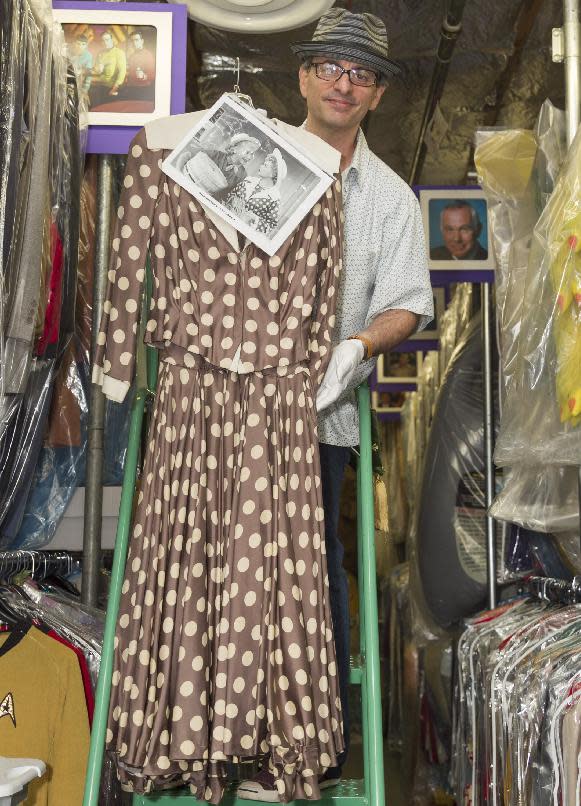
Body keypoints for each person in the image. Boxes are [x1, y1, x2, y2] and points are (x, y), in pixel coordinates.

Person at [237, 8, 433, 801]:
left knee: (308, 583)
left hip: (323, 423)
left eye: (360, 74)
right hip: (229, 415)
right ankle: (217, 739)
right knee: (220, 572)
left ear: (378, 93)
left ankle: (304, 756)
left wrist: (355, 347)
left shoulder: (389, 199)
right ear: (304, 75)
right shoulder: (253, 161)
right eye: (330, 68)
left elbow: (408, 301)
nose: (342, 84)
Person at [225, 149, 287, 235]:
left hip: (242, 233)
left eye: (265, 165)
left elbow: (270, 226)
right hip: (226, 220)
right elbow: (230, 195)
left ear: (273, 174)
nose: (261, 166)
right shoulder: (248, 180)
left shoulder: (274, 198)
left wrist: (254, 219)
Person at [181, 133, 262, 199]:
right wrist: (179, 172)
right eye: (247, 152)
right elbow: (187, 155)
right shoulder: (216, 155)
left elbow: (230, 195)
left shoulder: (242, 174)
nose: (249, 157)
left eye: (252, 155)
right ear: (234, 149)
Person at [90, 30, 126, 108]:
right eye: (103, 41)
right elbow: (96, 69)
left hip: (113, 88)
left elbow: (122, 72)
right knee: (101, 108)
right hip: (101, 87)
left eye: (107, 40)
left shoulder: (119, 52)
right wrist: (97, 69)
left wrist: (115, 88)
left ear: (111, 40)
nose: (105, 42)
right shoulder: (100, 53)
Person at [125, 29, 155, 102]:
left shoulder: (148, 55)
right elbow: (130, 71)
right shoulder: (132, 56)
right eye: (132, 41)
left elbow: (152, 75)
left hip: (143, 90)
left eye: (136, 40)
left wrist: (144, 76)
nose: (134, 43)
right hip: (131, 89)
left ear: (142, 41)